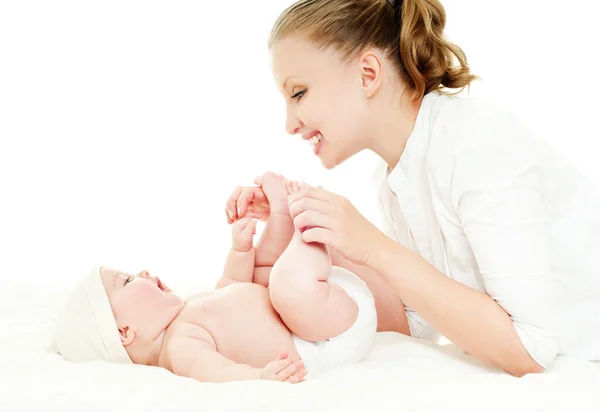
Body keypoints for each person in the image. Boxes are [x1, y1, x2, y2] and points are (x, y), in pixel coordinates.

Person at [225, 0, 600, 377]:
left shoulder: (477, 141)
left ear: (368, 73)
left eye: (299, 93)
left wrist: (370, 244)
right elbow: (417, 322)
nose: (290, 123)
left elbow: (530, 350)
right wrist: (307, 225)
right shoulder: (393, 176)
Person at [52, 173, 377, 382]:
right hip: (318, 340)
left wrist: (241, 249)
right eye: (126, 281)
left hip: (316, 304)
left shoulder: (189, 308)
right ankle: (309, 230)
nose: (143, 272)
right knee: (284, 288)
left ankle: (282, 212)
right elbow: (215, 372)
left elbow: (232, 285)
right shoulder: (179, 347)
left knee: (263, 272)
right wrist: (260, 378)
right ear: (125, 331)